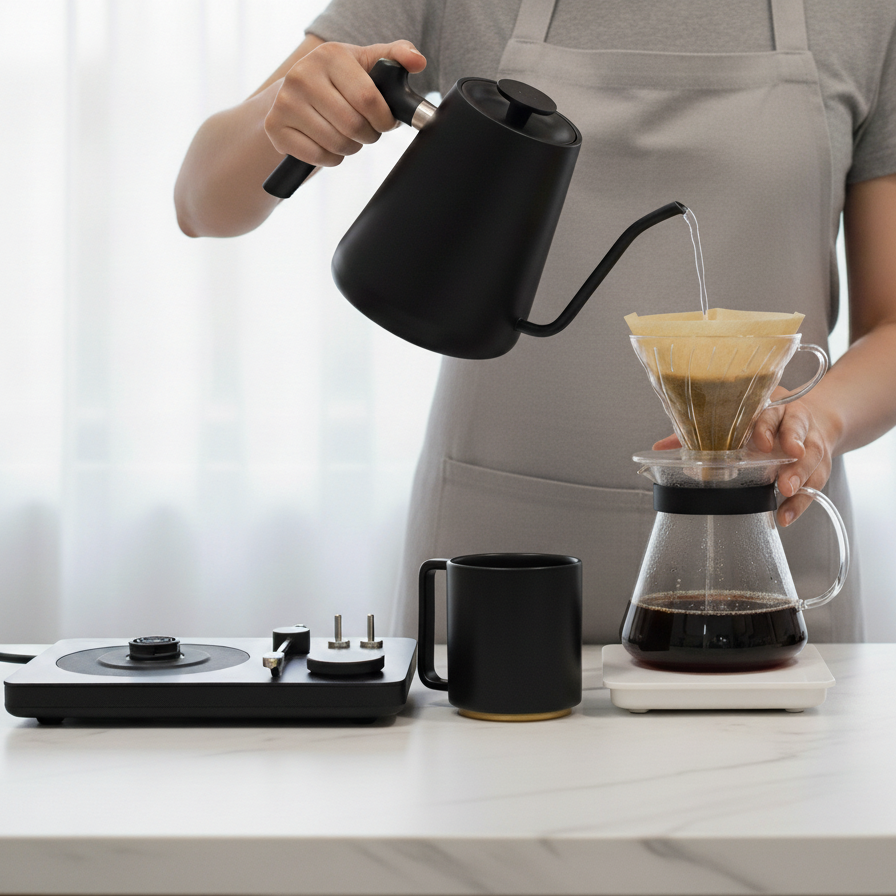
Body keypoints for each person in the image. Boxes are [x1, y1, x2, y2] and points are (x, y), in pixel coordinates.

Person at [176, 0, 896, 643]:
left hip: (764, 561)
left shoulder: (866, 14)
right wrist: (290, 112)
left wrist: (819, 421)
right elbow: (201, 201)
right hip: (495, 568)